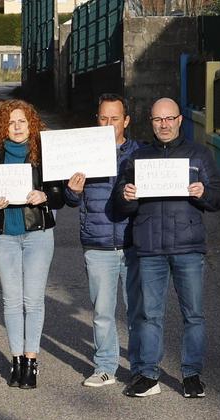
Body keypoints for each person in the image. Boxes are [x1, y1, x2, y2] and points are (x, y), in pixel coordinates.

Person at [114, 97, 220, 398]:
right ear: (150, 122)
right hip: (149, 247)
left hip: (188, 247)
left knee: (193, 314)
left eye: (168, 118)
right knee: (149, 314)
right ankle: (148, 375)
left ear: (179, 120)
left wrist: (204, 192)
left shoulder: (199, 154)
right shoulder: (137, 159)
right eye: (157, 119)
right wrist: (127, 195)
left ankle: (191, 375)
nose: (163, 124)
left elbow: (218, 197)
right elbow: (119, 204)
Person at [0, 99, 64, 390]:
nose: (17, 127)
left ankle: (31, 360)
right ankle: (16, 359)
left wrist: (45, 196)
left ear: (32, 125)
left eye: (22, 122)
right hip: (5, 234)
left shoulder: (44, 155)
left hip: (38, 233)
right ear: (2, 126)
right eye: (11, 122)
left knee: (33, 299)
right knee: (12, 300)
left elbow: (60, 195)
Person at [63, 94, 143, 388]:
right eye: (103, 118)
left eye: (115, 118)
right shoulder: (83, 152)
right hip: (97, 243)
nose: (109, 124)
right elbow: (70, 198)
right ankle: (105, 366)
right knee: (102, 312)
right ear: (96, 119)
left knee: (138, 312)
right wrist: (72, 190)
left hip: (134, 243)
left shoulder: (140, 153)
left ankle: (140, 368)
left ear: (127, 121)